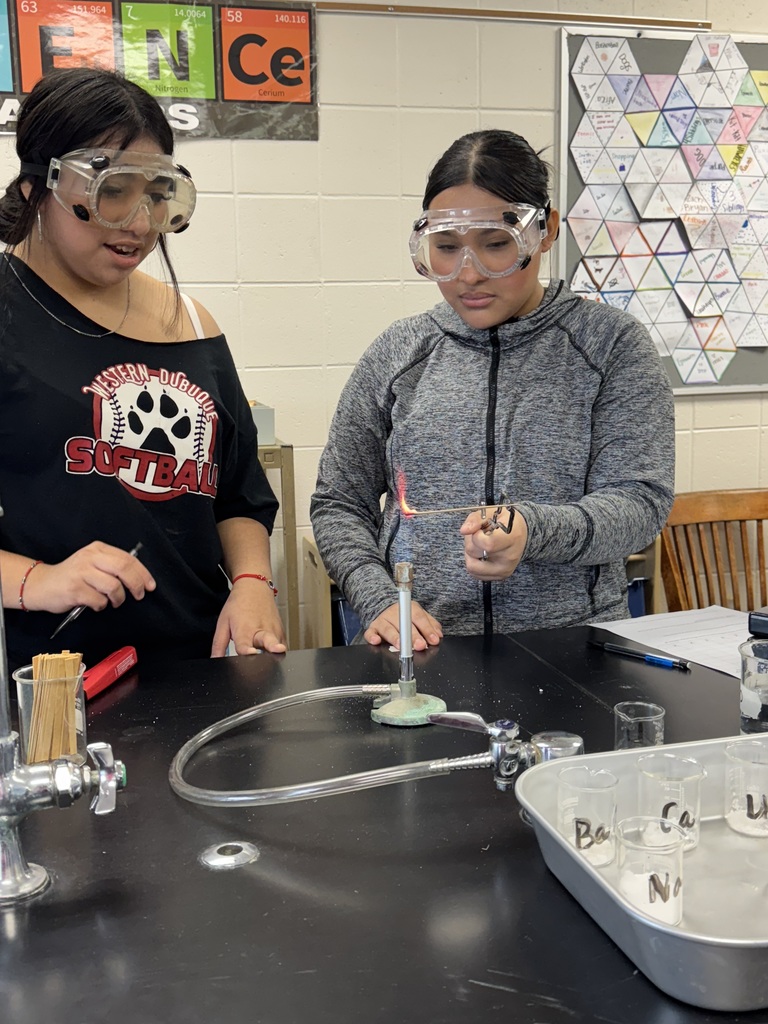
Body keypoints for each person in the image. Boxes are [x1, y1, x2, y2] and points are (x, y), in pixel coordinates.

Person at [310, 129, 675, 651]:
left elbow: (640, 505)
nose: (469, 275)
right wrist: (379, 600)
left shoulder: (611, 347)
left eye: (497, 246)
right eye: (446, 249)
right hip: (425, 652)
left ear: (544, 232)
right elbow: (339, 502)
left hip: (575, 648)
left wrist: (532, 529)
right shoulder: (398, 354)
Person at [0, 67, 286, 672]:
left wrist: (254, 582)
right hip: (53, 680)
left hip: (202, 661)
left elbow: (237, 494)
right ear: (36, 188)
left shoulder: (190, 320)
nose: (139, 224)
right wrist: (41, 581)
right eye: (112, 190)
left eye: (156, 194)